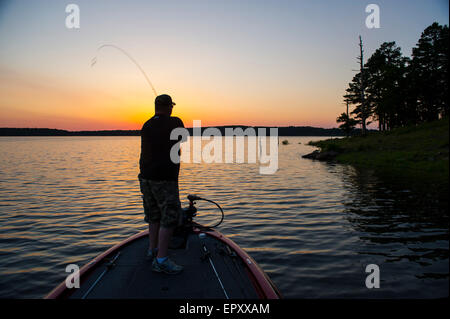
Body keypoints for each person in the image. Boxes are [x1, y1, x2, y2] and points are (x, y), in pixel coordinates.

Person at [138, 94, 184, 274]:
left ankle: (153, 249)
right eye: (171, 106)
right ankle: (162, 260)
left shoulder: (146, 124)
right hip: (165, 178)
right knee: (169, 216)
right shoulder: (175, 122)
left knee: (153, 214)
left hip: (146, 177)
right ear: (169, 107)